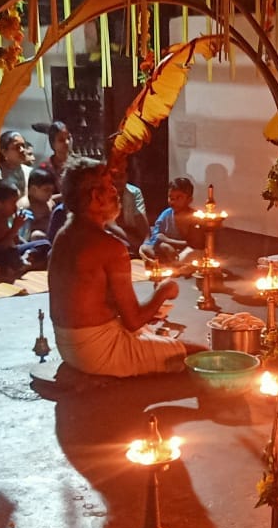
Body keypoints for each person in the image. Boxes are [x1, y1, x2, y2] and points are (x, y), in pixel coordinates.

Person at [48, 157, 202, 377]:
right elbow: (133, 321)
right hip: (99, 352)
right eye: (110, 185)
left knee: (157, 335)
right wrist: (164, 290)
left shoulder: (64, 235)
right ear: (96, 196)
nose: (116, 191)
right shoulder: (110, 246)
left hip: (67, 347)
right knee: (200, 353)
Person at [0, 179, 49, 278]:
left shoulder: (5, 215)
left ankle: (24, 261)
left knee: (45, 244)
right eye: (13, 202)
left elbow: (15, 242)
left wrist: (27, 246)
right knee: (4, 259)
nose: (16, 207)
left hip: (11, 252)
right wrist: (15, 228)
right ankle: (21, 264)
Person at [139, 176, 199, 269]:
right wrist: (159, 242)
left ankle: (175, 265)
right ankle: (170, 264)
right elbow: (157, 236)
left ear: (189, 200)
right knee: (146, 248)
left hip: (186, 250)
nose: (173, 201)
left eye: (179, 198)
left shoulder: (195, 216)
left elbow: (194, 244)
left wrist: (168, 240)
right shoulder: (166, 214)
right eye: (171, 197)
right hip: (166, 250)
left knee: (193, 253)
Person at [109, 156, 149, 256]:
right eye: (114, 177)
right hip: (111, 232)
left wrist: (146, 242)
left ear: (127, 176)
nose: (118, 181)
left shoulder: (135, 192)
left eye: (121, 176)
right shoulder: (105, 193)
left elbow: (140, 220)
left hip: (131, 232)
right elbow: (110, 225)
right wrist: (132, 241)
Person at [33, 120, 71, 193]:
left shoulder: (79, 164)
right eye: (61, 140)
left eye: (69, 138)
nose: (67, 142)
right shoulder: (44, 168)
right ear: (53, 144)